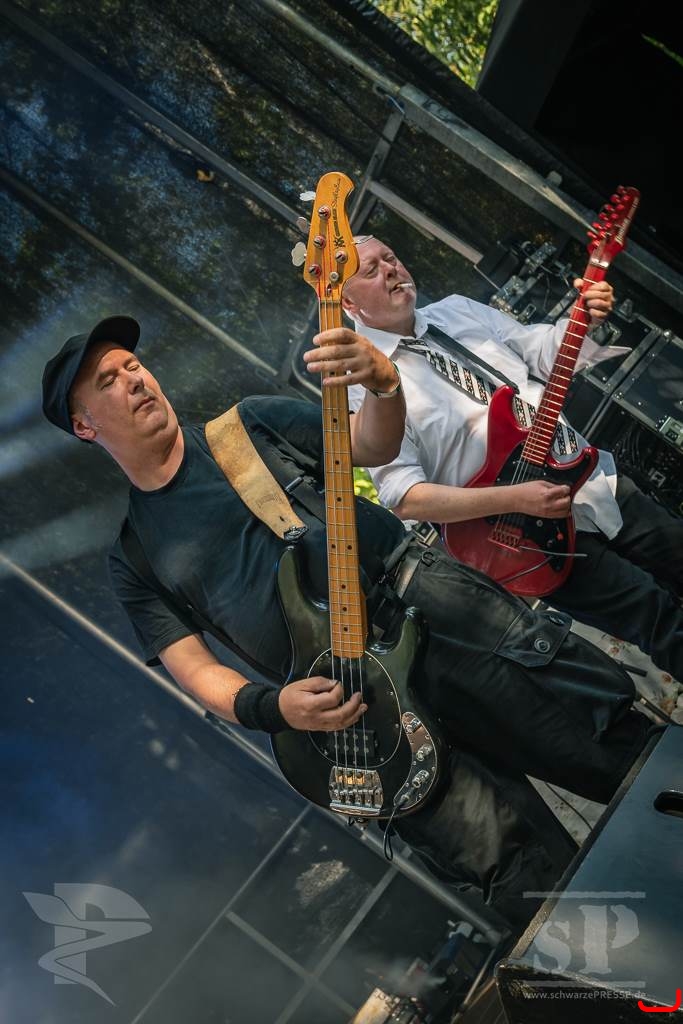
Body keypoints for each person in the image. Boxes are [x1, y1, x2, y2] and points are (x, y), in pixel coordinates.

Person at [42, 316, 654, 929]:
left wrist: (384, 385)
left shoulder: (247, 426)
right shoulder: (136, 556)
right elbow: (194, 668)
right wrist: (275, 708)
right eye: (108, 380)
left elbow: (370, 446)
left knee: (611, 750)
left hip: (436, 614)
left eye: (133, 365)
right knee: (519, 872)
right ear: (84, 424)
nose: (135, 379)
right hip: (364, 711)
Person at [343, 236, 683, 683]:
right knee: (661, 622)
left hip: (594, 480)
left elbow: (540, 353)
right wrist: (515, 499)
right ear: (348, 304)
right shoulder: (362, 386)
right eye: (371, 270)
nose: (391, 269)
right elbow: (404, 496)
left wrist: (581, 319)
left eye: (391, 257)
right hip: (527, 538)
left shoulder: (456, 311)